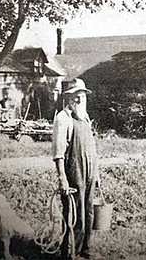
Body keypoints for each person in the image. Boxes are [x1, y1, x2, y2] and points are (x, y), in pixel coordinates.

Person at [52, 78, 99, 259]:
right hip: (74, 170)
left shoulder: (85, 117)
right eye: (75, 97)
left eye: (82, 97)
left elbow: (92, 148)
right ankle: (71, 252)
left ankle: (86, 249)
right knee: (74, 212)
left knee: (88, 212)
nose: (79, 101)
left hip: (90, 171)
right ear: (68, 98)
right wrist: (62, 178)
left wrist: (96, 175)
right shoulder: (63, 119)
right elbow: (59, 153)